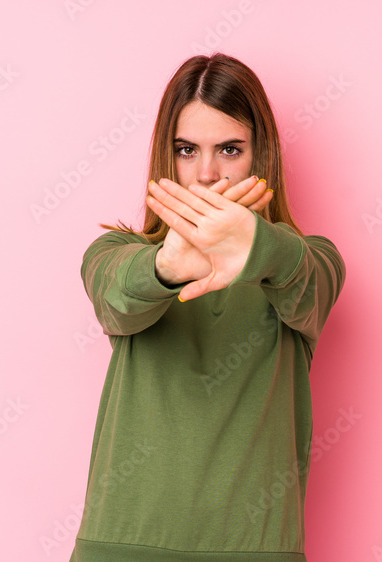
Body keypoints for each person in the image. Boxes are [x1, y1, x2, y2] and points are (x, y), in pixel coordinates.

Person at [69, 53, 346, 562]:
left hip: (255, 549)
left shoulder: (308, 261)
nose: (207, 174)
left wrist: (254, 244)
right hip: (121, 545)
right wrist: (169, 264)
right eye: (186, 149)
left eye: (230, 149)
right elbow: (117, 299)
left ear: (261, 158)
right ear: (164, 156)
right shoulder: (117, 255)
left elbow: (308, 283)